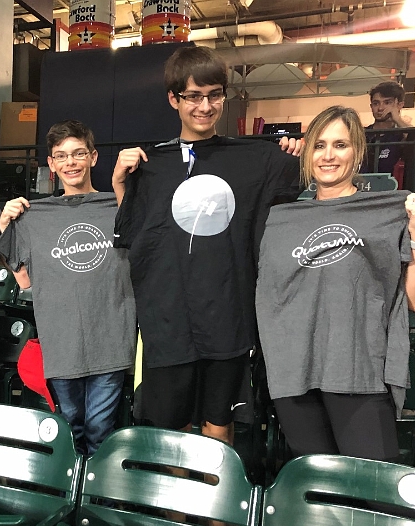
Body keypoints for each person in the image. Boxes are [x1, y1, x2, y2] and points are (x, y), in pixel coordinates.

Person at [111, 45, 302, 444]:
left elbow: (302, 182)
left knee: (219, 424)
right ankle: (178, 490)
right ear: (174, 99)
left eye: (214, 95)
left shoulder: (255, 160)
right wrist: (120, 184)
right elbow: (133, 235)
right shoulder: (149, 166)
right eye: (193, 96)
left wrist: (295, 154)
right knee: (174, 432)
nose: (205, 106)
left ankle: (216, 489)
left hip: (227, 316)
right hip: (168, 319)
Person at [255, 105, 415, 461]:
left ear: (357, 153)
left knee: (371, 485)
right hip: (293, 372)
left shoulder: (383, 213)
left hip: (358, 371)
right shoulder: (279, 219)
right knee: (317, 483)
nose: (328, 155)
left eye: (340, 145)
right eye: (319, 145)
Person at [0, 120, 136, 455]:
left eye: (78, 153)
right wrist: (4, 224)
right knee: (69, 432)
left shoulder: (118, 207)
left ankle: (94, 488)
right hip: (61, 344)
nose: (70, 162)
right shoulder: (36, 216)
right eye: (61, 156)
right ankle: (72, 488)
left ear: (93, 157)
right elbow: (25, 280)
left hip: (111, 340)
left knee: (101, 432)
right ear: (51, 163)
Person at [363, 81, 409, 176]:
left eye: (387, 102)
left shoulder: (402, 135)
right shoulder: (361, 134)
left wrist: (397, 119)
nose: (380, 108)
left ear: (400, 105)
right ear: (371, 106)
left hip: (392, 185)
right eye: (376, 103)